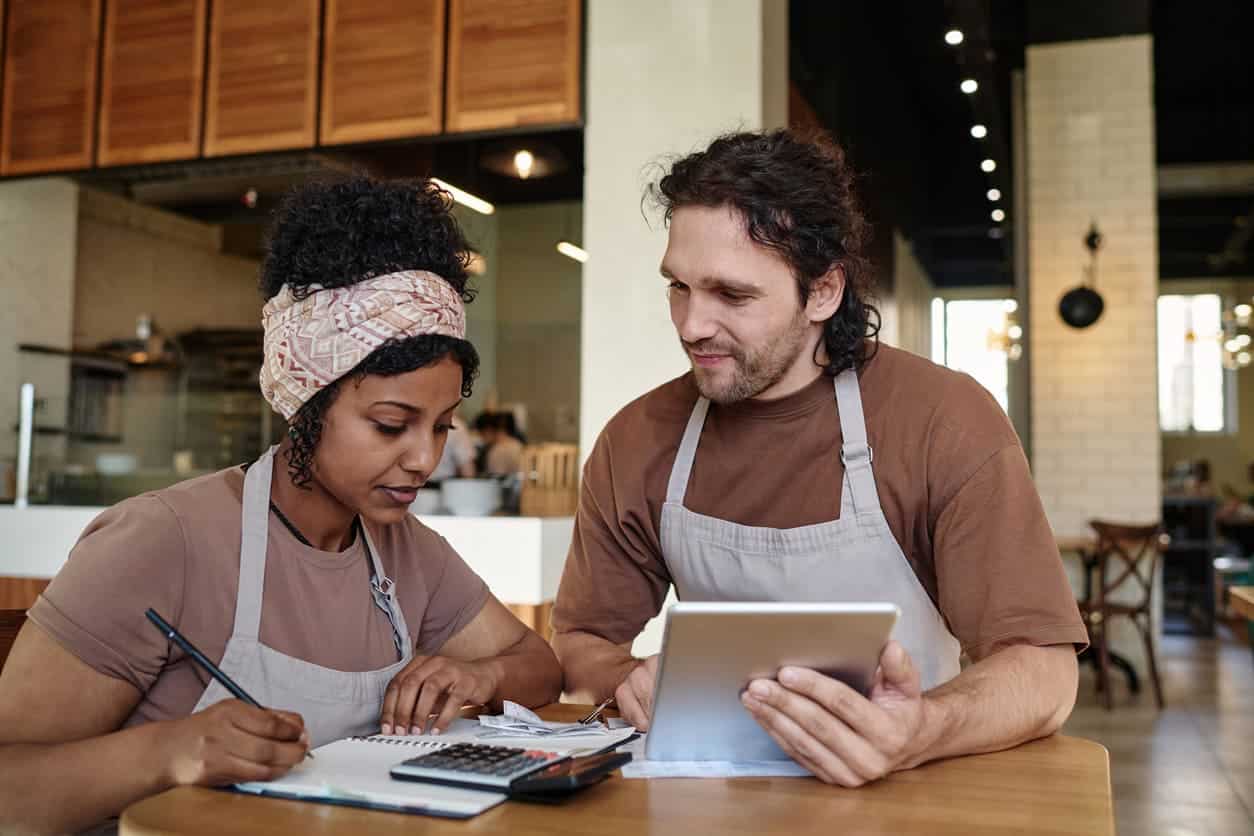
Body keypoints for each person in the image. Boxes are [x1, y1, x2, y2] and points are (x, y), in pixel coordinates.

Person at [0, 176, 562, 834]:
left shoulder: (407, 553)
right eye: (390, 423)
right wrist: (168, 751)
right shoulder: (161, 540)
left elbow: (541, 668)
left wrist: (483, 678)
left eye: (441, 425)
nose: (424, 459)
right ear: (307, 400)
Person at [551, 130, 1088, 787]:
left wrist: (921, 729)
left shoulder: (943, 422)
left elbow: (1045, 672)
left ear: (824, 292)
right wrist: (626, 680)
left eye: (733, 296)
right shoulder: (637, 440)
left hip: (911, 796)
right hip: (715, 799)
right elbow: (579, 645)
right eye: (679, 288)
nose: (691, 324)